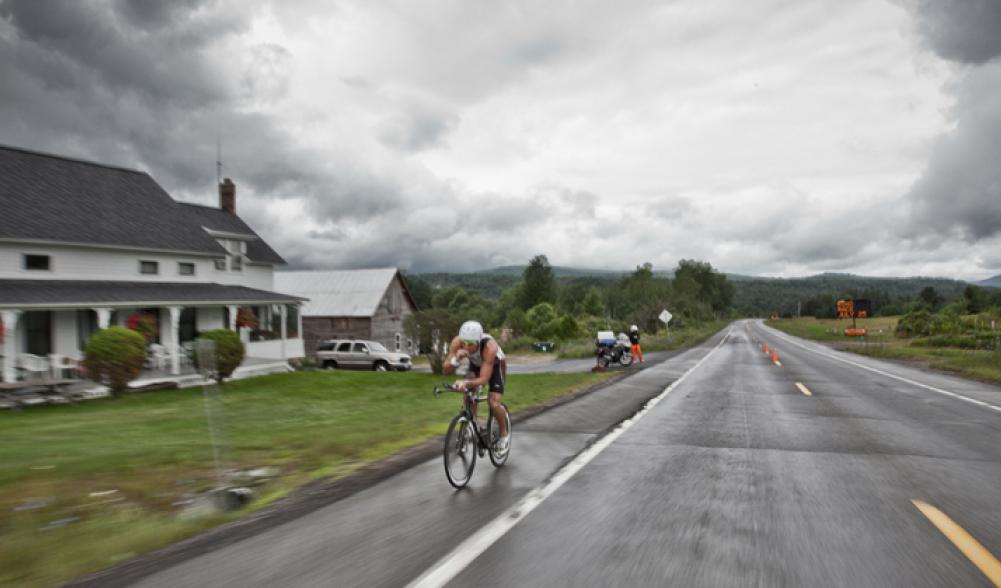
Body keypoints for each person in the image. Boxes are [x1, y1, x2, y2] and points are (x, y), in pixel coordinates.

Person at [443, 320, 510, 452]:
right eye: (464, 342)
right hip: (476, 365)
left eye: (471, 344)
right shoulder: (457, 342)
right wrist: (455, 360)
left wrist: (466, 383)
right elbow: (445, 371)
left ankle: (504, 435)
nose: (466, 347)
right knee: (469, 392)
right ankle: (471, 424)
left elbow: (484, 380)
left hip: (496, 365)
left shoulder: (489, 347)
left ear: (478, 341)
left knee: (493, 402)